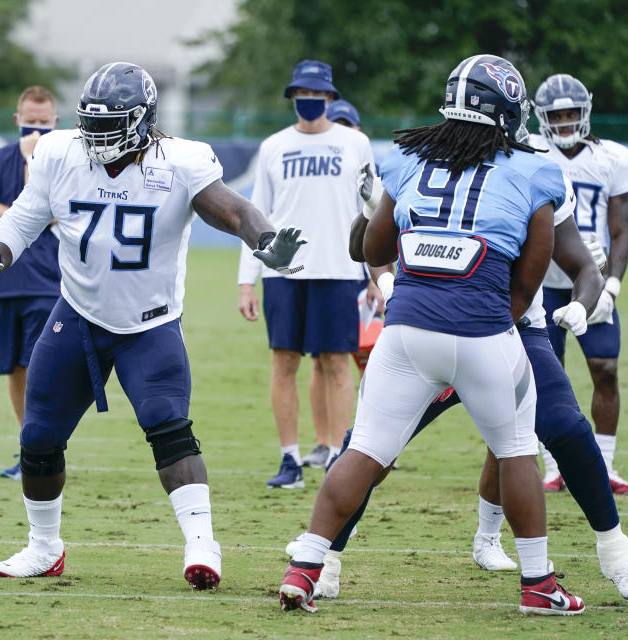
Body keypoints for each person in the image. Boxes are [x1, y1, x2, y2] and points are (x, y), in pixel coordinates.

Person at [0, 61, 305, 589]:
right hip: (78, 313)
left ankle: (203, 546)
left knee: (168, 426)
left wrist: (265, 241)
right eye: (90, 122)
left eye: (109, 124)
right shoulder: (60, 150)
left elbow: (231, 210)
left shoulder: (181, 159)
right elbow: (23, 217)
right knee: (39, 434)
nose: (96, 135)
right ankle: (44, 547)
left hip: (149, 322)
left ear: (141, 120)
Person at [279, 54, 585, 616]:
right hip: (484, 332)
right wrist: (491, 317)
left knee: (366, 448)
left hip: (406, 332)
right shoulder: (534, 170)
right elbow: (532, 273)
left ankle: (307, 565)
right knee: (516, 449)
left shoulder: (410, 159)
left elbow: (371, 249)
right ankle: (539, 585)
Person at [289, 166, 628, 602]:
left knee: (563, 426)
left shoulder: (533, 172)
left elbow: (578, 264)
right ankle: (328, 558)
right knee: (373, 447)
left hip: (500, 327)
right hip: (441, 328)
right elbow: (365, 247)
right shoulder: (420, 163)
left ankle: (613, 551)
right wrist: (371, 213)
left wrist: (583, 302)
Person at [236, 60, 381, 488]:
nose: (309, 101)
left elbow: (372, 213)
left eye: (317, 94)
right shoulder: (274, 146)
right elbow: (254, 215)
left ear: (331, 98)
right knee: (284, 364)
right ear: (292, 97)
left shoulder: (355, 144)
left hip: (340, 270)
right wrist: (248, 280)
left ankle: (337, 456)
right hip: (283, 270)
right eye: (301, 94)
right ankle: (289, 460)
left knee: (337, 363)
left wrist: (376, 274)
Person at [530, 74, 628, 494]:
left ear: (585, 112)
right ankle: (554, 466)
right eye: (557, 115)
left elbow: (621, 229)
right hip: (541, 282)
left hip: (592, 281)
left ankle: (603, 465)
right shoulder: (531, 154)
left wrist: (611, 286)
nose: (565, 121)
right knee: (544, 376)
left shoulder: (611, 158)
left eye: (572, 113)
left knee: (605, 369)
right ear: (542, 118)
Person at [0, 86, 61, 480]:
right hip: (3, 280)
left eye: (44, 121)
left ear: (57, 122)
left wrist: (32, 159)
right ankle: (29, 444)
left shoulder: (62, 162)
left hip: (47, 281)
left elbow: (48, 210)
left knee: (39, 366)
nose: (36, 127)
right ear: (17, 119)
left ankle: (44, 448)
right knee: (15, 369)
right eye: (30, 120)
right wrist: (24, 216)